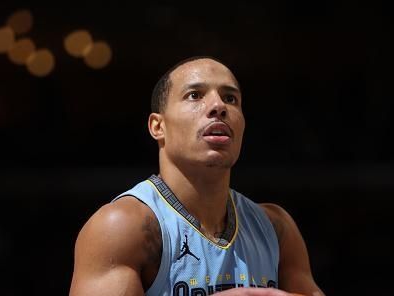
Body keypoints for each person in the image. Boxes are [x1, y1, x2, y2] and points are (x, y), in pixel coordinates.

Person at [69, 56, 326, 296]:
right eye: (194, 95)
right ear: (158, 126)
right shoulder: (121, 227)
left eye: (230, 98)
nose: (218, 106)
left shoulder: (276, 227)